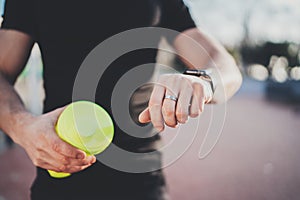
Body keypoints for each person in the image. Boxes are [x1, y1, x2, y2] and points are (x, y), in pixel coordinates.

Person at [0, 0, 242, 199]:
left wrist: (202, 81)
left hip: (141, 177)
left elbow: (225, 68)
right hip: (59, 170)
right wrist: (22, 126)